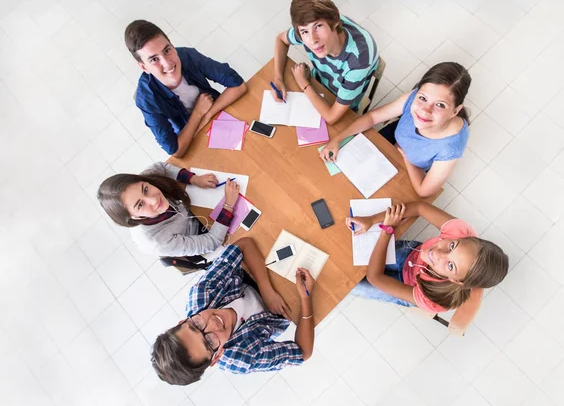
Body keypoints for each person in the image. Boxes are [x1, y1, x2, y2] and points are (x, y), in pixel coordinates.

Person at [151, 237, 315, 385]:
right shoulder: (243, 359)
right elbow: (302, 352)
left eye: (195, 325)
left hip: (261, 275)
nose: (213, 323)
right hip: (288, 305)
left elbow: (243, 245)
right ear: (216, 357)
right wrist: (306, 298)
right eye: (209, 342)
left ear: (184, 321)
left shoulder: (200, 294)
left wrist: (266, 289)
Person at [321, 62, 471, 198]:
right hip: (395, 137)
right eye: (423, 98)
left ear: (455, 111)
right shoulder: (413, 98)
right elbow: (373, 118)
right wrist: (338, 138)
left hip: (411, 167)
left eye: (440, 105)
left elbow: (423, 190)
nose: (425, 111)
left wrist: (406, 157)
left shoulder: (450, 147)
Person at [347, 202, 509, 312]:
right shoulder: (462, 231)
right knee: (350, 251)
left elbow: (375, 277)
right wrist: (373, 219)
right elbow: (419, 207)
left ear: (456, 281)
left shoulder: (434, 300)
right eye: (452, 246)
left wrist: (387, 229)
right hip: (410, 254)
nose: (437, 254)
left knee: (349, 285)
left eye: (450, 266)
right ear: (462, 237)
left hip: (406, 286)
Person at [125, 20, 248, 157]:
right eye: (154, 59)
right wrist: (198, 113)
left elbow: (238, 84)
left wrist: (206, 115)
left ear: (172, 45)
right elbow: (175, 151)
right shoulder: (146, 99)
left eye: (167, 50)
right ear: (143, 67)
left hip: (217, 115)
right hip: (190, 136)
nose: (167, 63)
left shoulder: (188, 56)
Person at [271, 0, 379, 124]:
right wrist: (278, 77)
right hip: (318, 83)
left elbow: (332, 117)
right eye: (304, 31)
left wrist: (304, 83)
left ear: (335, 22)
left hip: (341, 105)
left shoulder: (359, 60)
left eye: (318, 26)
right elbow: (281, 39)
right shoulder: (309, 36)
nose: (312, 40)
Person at [97, 162, 239, 259]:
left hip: (192, 211)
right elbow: (211, 242)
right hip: (196, 235)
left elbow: (160, 167)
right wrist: (228, 206)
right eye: (140, 205)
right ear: (134, 218)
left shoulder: (139, 184)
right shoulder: (159, 242)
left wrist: (194, 179)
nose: (153, 200)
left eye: (145, 189)